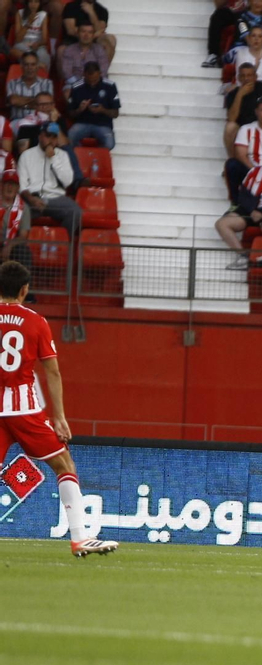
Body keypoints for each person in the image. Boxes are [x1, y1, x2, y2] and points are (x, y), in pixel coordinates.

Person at [0, 261, 115, 556]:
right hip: (23, 409)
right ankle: (79, 538)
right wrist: (60, 417)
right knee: (64, 465)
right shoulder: (35, 321)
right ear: (24, 290)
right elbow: (52, 372)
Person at [217, 150, 262, 264]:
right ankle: (243, 256)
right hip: (248, 209)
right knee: (221, 224)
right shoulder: (254, 172)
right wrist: (252, 211)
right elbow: (243, 194)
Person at [18, 125, 80, 233]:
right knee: (18, 211)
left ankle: (61, 244)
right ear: (40, 136)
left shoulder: (63, 155)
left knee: (75, 212)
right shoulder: (26, 155)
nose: (51, 140)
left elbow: (68, 181)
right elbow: (22, 185)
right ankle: (22, 246)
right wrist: (31, 199)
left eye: (54, 137)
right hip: (32, 198)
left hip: (55, 198)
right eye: (48, 136)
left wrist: (53, 158)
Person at [65, 63, 118, 149]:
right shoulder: (76, 87)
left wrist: (102, 110)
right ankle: (80, 155)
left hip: (103, 125)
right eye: (89, 80)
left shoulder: (110, 86)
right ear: (84, 75)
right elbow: (70, 113)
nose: (92, 83)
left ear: (100, 74)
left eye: (95, 80)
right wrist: (79, 110)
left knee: (110, 144)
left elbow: (116, 113)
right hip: (82, 123)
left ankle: (97, 157)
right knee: (69, 138)